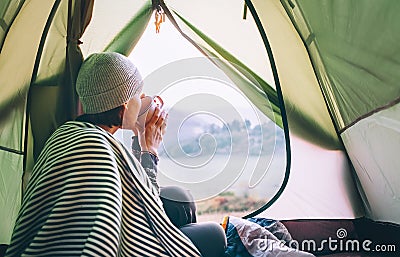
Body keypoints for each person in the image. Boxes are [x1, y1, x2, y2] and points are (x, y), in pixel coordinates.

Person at [5, 52, 225, 257]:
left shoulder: (70, 132)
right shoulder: (96, 147)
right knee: (215, 235)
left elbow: (135, 192)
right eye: (140, 95)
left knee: (180, 199)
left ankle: (169, 235)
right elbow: (146, 206)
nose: (144, 100)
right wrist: (150, 149)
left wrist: (140, 139)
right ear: (126, 106)